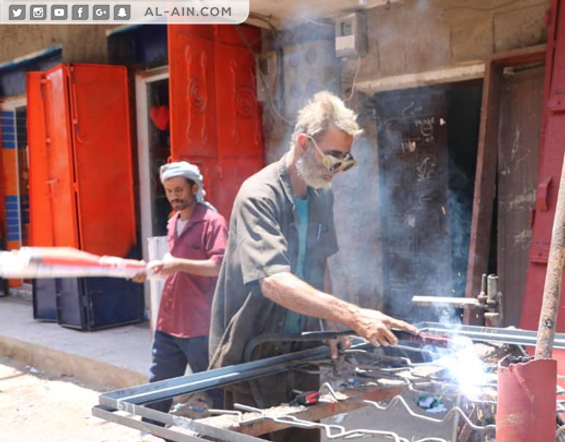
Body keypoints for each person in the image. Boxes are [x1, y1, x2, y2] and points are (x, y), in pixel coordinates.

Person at [208, 92, 418, 438]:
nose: (337, 169)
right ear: (304, 144)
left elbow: (320, 264)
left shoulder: (321, 193)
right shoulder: (258, 195)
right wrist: (352, 315)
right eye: (334, 157)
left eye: (345, 161)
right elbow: (272, 280)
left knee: (303, 434)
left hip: (300, 349)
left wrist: (331, 326)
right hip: (253, 352)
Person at [133, 161, 228, 427]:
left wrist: (177, 264)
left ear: (194, 188)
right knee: (159, 388)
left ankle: (230, 434)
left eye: (179, 189)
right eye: (169, 190)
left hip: (200, 325)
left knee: (215, 390)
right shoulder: (173, 222)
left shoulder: (213, 222)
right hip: (169, 321)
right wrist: (149, 271)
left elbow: (219, 266)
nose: (174, 196)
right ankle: (151, 432)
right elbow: (174, 268)